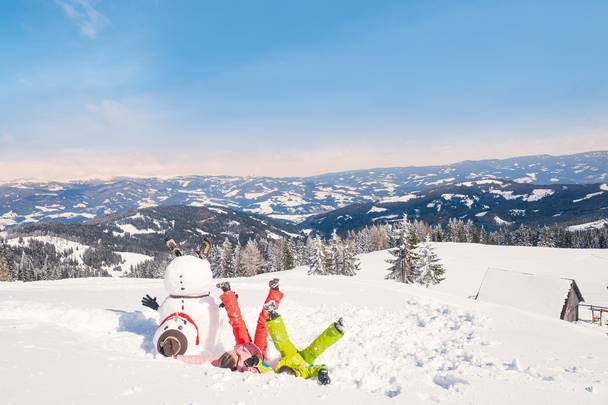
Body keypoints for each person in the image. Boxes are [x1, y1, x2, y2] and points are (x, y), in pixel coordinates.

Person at [177, 278, 283, 373]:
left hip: (243, 344)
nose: (234, 352)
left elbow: (202, 359)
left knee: (236, 321)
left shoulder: (221, 360)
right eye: (236, 355)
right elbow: (265, 370)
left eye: (232, 352)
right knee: (263, 324)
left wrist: (179, 357)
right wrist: (256, 364)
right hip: (259, 353)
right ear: (236, 363)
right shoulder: (245, 367)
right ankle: (275, 292)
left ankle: (227, 291)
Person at [263, 301, 344, 385]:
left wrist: (255, 362)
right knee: (317, 348)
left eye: (286, 374)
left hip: (289, 355)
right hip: (305, 360)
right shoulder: (303, 373)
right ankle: (336, 331)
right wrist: (323, 372)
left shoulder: (276, 373)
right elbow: (318, 368)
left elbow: (264, 368)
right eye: (288, 375)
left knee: (282, 343)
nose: (287, 374)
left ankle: (272, 315)